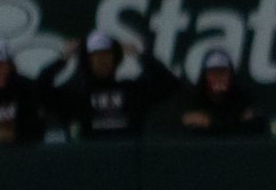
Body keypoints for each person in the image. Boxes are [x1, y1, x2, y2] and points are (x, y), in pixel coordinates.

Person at [40, 30, 180, 141]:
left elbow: (169, 83)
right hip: (86, 165)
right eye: (95, 56)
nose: (102, 61)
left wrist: (139, 55)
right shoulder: (76, 95)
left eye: (107, 55)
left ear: (116, 59)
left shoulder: (131, 91)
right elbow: (40, 90)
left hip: (129, 164)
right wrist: (63, 58)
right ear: (86, 61)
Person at [179, 48, 262, 136]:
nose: (218, 78)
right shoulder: (194, 100)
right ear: (205, 76)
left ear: (230, 75)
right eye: (213, 73)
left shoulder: (242, 99)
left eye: (222, 73)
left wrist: (212, 122)